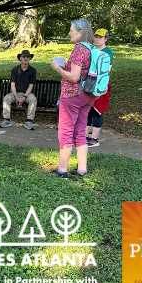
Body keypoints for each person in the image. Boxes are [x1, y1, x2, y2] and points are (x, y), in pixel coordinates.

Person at [51, 19, 96, 178]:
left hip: (72, 95)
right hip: (88, 96)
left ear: (80, 32)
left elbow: (74, 77)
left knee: (66, 131)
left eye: (71, 30)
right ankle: (82, 168)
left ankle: (62, 169)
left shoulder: (79, 49)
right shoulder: (92, 48)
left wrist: (57, 68)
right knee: (80, 130)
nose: (69, 33)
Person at [86, 28, 114, 147]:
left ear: (105, 39)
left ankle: (94, 139)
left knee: (97, 110)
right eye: (96, 36)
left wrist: (102, 87)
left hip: (100, 83)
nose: (97, 39)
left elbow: (106, 71)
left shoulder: (107, 52)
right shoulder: (91, 50)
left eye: (100, 37)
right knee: (87, 111)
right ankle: (85, 136)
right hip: (89, 82)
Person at [0, 50, 38, 130]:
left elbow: (31, 85)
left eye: (28, 57)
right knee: (7, 98)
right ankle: (7, 120)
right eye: (24, 57)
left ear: (30, 59)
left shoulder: (33, 70)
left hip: (27, 93)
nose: (26, 58)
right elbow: (12, 84)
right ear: (20, 58)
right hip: (15, 93)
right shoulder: (15, 70)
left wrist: (25, 96)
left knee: (33, 99)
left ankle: (29, 121)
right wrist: (16, 96)